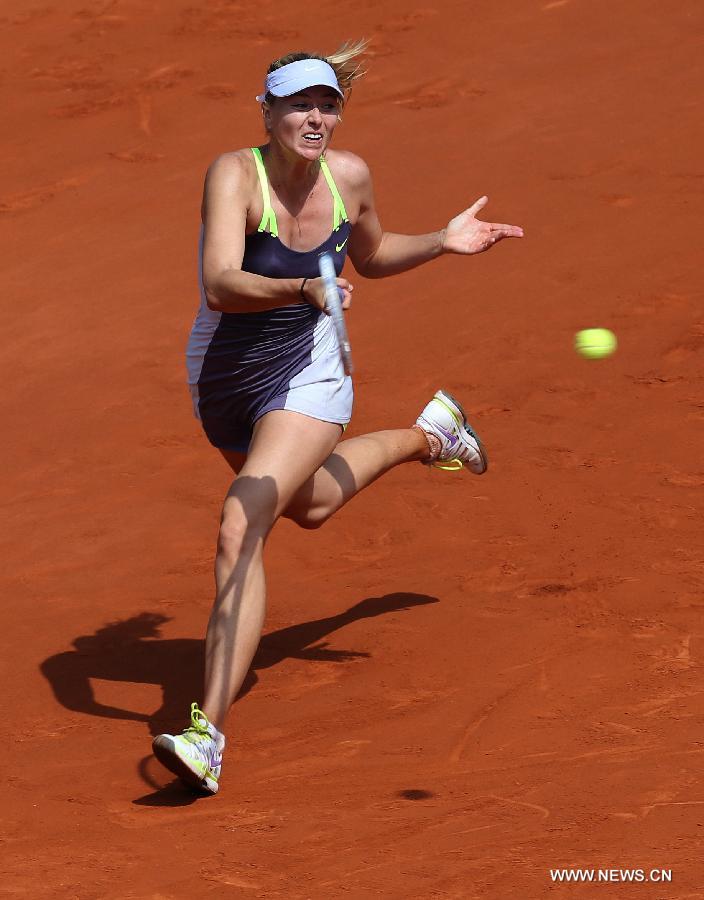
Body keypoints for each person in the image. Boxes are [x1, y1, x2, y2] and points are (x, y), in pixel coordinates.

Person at [152, 40, 523, 795]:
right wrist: (302, 291)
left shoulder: (348, 176)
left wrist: (443, 244)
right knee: (311, 503)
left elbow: (375, 255)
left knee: (242, 520)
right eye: (299, 104)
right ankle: (432, 433)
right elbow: (222, 282)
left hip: (311, 369)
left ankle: (207, 735)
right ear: (267, 111)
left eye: (327, 104)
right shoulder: (234, 174)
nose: (315, 117)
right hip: (223, 375)